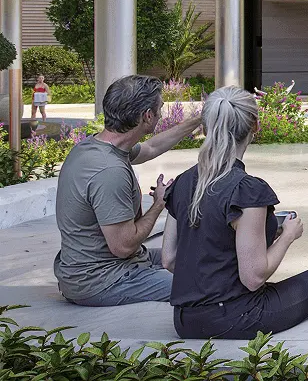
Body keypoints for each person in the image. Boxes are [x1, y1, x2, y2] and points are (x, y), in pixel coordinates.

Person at [164, 87, 308, 339]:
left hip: (185, 321)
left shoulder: (181, 182)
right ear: (254, 126)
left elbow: (170, 259)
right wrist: (287, 235)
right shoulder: (246, 189)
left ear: (205, 128)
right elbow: (254, 277)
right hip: (234, 316)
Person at [53, 75, 203, 306]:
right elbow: (123, 246)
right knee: (205, 287)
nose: (162, 113)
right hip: (102, 280)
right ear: (147, 116)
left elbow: (152, 147)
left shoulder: (94, 147)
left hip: (95, 268)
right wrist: (158, 205)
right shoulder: (109, 171)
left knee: (196, 254)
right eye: (160, 108)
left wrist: (197, 120)